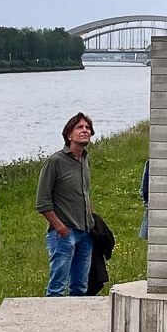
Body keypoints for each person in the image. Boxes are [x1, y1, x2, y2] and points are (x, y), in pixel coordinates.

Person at [37, 111, 95, 296]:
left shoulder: (84, 160)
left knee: (80, 288)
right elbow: (42, 202)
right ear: (69, 134)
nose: (85, 130)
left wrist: (92, 224)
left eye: (88, 128)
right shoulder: (55, 161)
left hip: (85, 234)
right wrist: (61, 229)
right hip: (63, 235)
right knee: (57, 288)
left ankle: (76, 323)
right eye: (80, 127)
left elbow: (85, 194)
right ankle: (52, 323)